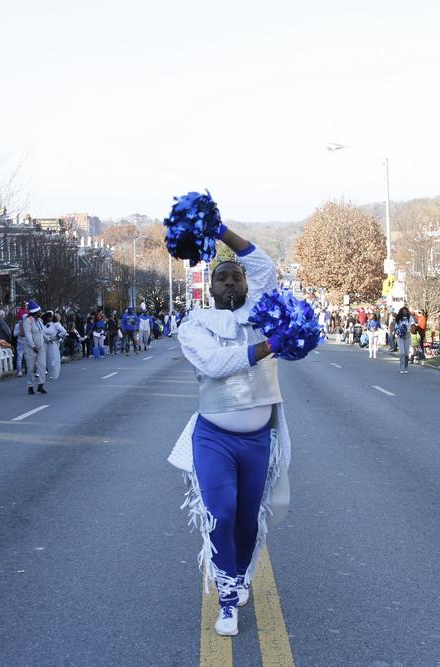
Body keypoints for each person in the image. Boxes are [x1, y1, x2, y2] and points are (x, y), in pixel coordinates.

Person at [169, 225, 294, 638]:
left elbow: (264, 266)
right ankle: (226, 601)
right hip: (214, 438)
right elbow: (216, 365)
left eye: (235, 277)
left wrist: (220, 230)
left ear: (244, 285)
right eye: (220, 277)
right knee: (219, 514)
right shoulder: (194, 326)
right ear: (209, 287)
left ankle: (237, 577)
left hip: (259, 440)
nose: (228, 283)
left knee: (247, 521)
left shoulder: (262, 310)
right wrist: (271, 345)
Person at [22, 300, 47, 394]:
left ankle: (41, 384)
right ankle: (30, 386)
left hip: (41, 347)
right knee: (31, 368)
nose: (41, 313)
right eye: (40, 311)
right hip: (31, 348)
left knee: (42, 366)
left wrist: (49, 339)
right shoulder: (28, 321)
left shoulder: (40, 321)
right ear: (35, 312)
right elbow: (28, 334)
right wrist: (32, 345)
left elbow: (42, 333)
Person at [42, 311, 67, 381]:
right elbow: (41, 332)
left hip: (53, 343)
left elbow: (64, 331)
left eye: (51, 317)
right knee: (47, 359)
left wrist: (56, 337)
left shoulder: (55, 324)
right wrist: (46, 338)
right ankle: (48, 372)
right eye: (48, 317)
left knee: (53, 358)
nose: (50, 318)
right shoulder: (43, 324)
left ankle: (54, 372)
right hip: (45, 343)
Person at [393, 307, 414, 373]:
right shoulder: (398, 318)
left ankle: (406, 367)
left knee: (406, 354)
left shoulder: (410, 318)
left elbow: (413, 323)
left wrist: (412, 327)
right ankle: (401, 367)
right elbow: (396, 327)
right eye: (403, 311)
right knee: (402, 353)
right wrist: (395, 332)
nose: (404, 312)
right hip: (400, 336)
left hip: (407, 335)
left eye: (406, 311)